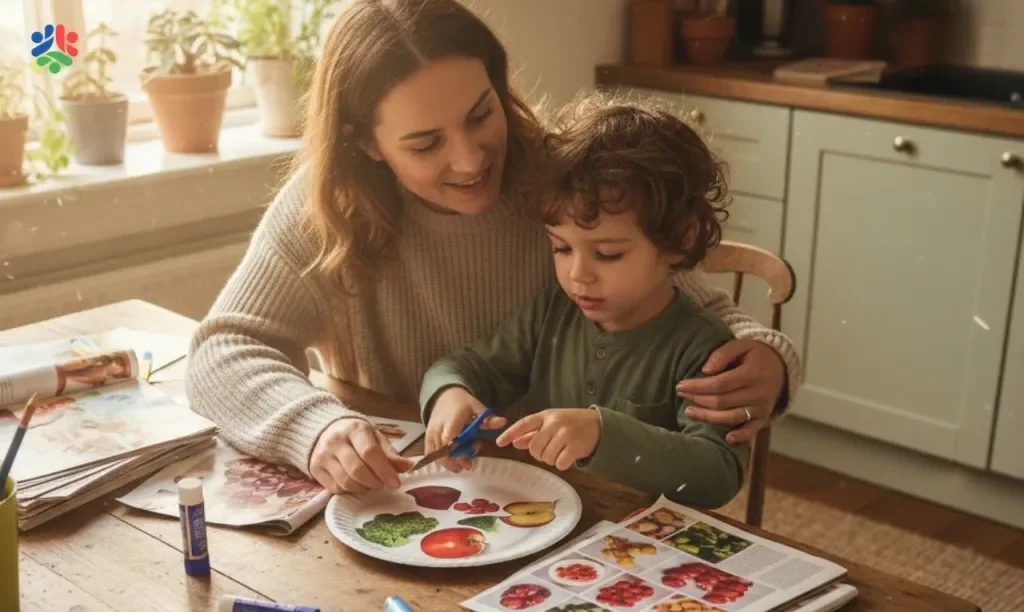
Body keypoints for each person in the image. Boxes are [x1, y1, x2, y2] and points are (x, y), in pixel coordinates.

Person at [185, 0, 802, 496]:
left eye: (481, 114)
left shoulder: (563, 184)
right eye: (426, 144)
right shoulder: (328, 207)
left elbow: (686, 301)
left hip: (550, 503)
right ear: (366, 144)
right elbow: (223, 349)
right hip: (413, 497)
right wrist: (316, 429)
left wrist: (769, 361)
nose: (470, 160)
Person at [419, 95, 746, 508]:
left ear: (681, 239)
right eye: (561, 248)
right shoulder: (552, 312)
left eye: (608, 254)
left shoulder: (706, 351)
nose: (578, 274)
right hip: (543, 520)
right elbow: (463, 366)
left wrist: (603, 435)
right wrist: (448, 394)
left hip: (639, 538)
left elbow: (718, 474)